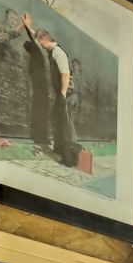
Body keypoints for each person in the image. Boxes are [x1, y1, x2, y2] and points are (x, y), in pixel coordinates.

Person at [34, 24, 83, 167]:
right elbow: (37, 34)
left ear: (44, 39)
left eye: (39, 41)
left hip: (67, 93)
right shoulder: (51, 50)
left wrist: (62, 95)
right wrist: (28, 27)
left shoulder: (58, 52)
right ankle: (60, 150)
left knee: (65, 124)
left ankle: (71, 157)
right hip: (62, 93)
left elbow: (66, 74)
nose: (39, 45)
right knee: (57, 120)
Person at [20, 10, 52, 154]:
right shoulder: (39, 50)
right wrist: (27, 26)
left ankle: (42, 138)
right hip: (39, 85)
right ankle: (40, 138)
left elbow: (36, 39)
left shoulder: (46, 51)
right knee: (40, 110)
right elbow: (34, 38)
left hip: (44, 86)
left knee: (43, 111)